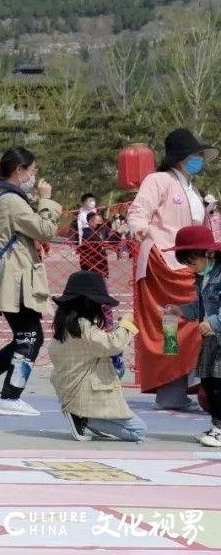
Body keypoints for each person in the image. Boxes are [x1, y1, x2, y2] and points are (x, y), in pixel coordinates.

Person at [0, 147, 62, 417]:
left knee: (26, 336)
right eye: (32, 170)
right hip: (15, 278)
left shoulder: (5, 198)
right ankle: (9, 396)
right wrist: (47, 200)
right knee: (31, 336)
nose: (34, 175)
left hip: (14, 276)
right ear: (19, 170)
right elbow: (45, 230)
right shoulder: (10, 201)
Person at [128, 128, 216, 410]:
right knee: (170, 325)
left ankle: (178, 387)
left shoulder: (192, 189)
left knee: (190, 323)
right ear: (181, 157)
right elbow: (139, 210)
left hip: (187, 264)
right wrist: (140, 228)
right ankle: (170, 390)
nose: (199, 159)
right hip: (163, 264)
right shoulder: (158, 180)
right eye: (195, 155)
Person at [48, 271, 147, 442]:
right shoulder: (83, 326)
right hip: (84, 394)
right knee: (138, 430)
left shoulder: (66, 326)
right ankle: (84, 419)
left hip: (72, 390)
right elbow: (113, 344)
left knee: (118, 371)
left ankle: (86, 419)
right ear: (88, 303)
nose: (102, 308)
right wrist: (126, 323)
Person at [168, 225, 221, 447]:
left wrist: (216, 323)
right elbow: (199, 306)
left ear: (208, 254)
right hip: (211, 342)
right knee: (209, 383)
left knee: (218, 385)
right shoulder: (201, 277)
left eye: (192, 261)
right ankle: (216, 425)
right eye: (186, 263)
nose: (190, 268)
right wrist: (180, 310)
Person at [78, 211, 111, 278]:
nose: (99, 222)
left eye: (100, 220)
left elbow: (111, 238)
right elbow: (93, 240)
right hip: (89, 264)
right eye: (95, 220)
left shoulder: (102, 230)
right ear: (89, 221)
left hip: (102, 264)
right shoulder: (86, 232)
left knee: (102, 284)